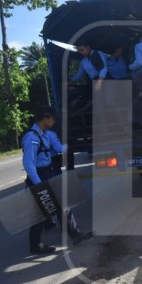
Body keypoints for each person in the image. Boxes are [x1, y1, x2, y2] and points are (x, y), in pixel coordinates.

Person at [22, 106, 92, 254]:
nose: (54, 121)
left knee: (60, 204)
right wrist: (39, 184)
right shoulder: (32, 137)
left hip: (48, 172)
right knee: (42, 211)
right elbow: (28, 164)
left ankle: (74, 234)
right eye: (52, 118)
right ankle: (35, 245)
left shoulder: (45, 134)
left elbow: (57, 149)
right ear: (45, 118)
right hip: (40, 176)